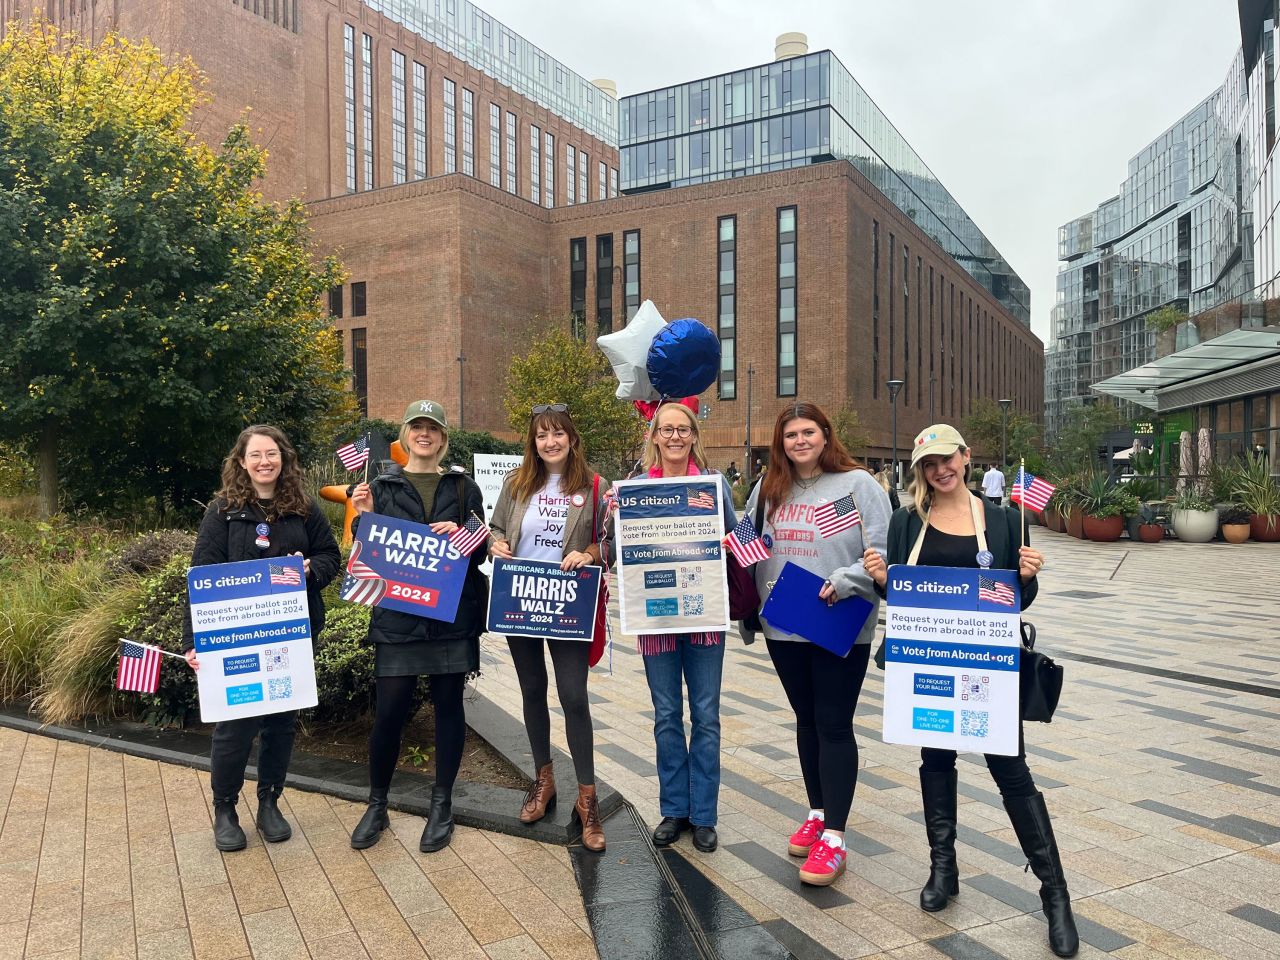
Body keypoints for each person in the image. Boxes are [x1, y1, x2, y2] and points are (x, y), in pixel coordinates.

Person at [863, 424, 1078, 958]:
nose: (941, 470)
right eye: (929, 464)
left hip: (988, 667)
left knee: (1012, 770)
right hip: (929, 667)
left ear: (965, 458)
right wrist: (882, 580)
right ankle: (944, 868)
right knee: (936, 762)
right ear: (921, 470)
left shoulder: (1004, 520)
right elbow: (900, 596)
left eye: (948, 459)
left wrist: (1027, 577)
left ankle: (1055, 894)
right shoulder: (905, 520)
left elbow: (1015, 602)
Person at [743, 403, 891, 886]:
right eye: (791, 434)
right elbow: (745, 542)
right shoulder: (768, 488)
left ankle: (835, 836)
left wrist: (848, 579)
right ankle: (817, 810)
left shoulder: (858, 485)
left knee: (833, 724)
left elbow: (884, 550)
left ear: (826, 436)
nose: (800, 441)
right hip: (784, 621)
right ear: (779, 442)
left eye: (809, 432)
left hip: (837, 619)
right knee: (806, 721)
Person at [183, 425, 341, 852]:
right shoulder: (222, 512)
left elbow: (331, 557)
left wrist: (309, 568)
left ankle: (270, 801)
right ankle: (225, 809)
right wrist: (192, 642)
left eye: (272, 454)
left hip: (289, 638)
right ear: (241, 462)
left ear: (283, 459)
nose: (265, 462)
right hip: (235, 640)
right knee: (235, 727)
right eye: (256, 455)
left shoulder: (304, 509)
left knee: (280, 723)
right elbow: (200, 578)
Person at [347, 400, 488, 854]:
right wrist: (361, 515)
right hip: (398, 619)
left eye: (433, 428)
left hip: (451, 618)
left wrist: (461, 535)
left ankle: (441, 804)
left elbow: (481, 547)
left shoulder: (464, 487)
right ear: (406, 436)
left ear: (444, 437)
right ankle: (376, 803)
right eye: (416, 427)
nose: (424, 434)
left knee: (449, 709)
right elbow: (363, 553)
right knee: (389, 712)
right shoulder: (381, 484)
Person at [616, 401, 736, 853]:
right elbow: (621, 553)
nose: (674, 436)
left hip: (704, 617)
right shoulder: (636, 489)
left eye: (682, 429)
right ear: (654, 436)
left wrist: (733, 542)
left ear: (693, 435)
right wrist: (614, 520)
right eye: (665, 429)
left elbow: (734, 538)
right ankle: (674, 809)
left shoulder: (713, 485)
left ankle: (704, 815)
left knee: (706, 716)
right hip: (657, 620)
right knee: (667, 716)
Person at [489, 404, 608, 851]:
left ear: (572, 439)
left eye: (558, 433)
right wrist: (496, 543)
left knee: (574, 696)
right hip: (521, 597)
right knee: (532, 689)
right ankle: (544, 780)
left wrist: (591, 553)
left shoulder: (595, 486)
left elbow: (612, 539)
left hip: (568, 603)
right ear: (532, 442)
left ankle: (587, 798)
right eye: (542, 436)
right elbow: (495, 529)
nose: (550, 442)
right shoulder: (517, 485)